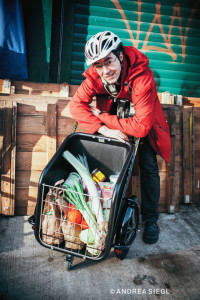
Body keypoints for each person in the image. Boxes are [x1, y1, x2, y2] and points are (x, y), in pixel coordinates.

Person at [70, 31, 171, 244]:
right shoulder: (96, 75)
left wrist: (105, 118)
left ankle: (151, 220)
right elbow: (75, 106)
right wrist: (103, 128)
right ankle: (110, 214)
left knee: (148, 164)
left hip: (140, 119)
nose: (105, 70)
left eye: (109, 62)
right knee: (108, 164)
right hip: (114, 119)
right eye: (99, 65)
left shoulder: (142, 77)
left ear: (121, 56)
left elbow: (142, 126)